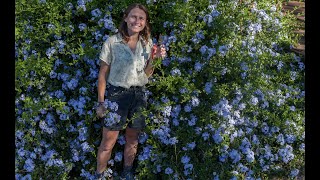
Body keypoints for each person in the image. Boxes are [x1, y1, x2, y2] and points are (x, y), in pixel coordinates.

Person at [94, 3, 166, 180]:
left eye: (141, 18)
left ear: (145, 22)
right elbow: (102, 75)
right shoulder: (112, 42)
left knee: (133, 139)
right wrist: (101, 102)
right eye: (133, 16)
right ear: (126, 18)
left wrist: (155, 59)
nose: (137, 21)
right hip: (116, 96)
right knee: (108, 142)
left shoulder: (147, 43)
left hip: (139, 95)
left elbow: (147, 74)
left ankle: (127, 172)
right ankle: (99, 175)